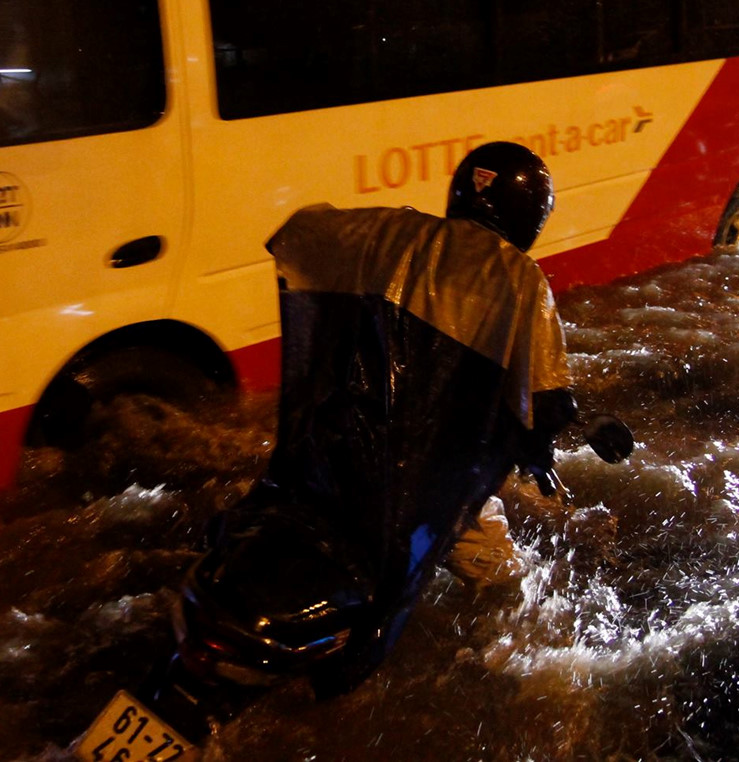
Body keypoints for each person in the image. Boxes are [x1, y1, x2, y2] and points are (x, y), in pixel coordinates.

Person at [170, 142, 634, 706]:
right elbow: (544, 398)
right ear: (531, 213)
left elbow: (297, 234)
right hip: (431, 481)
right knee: (501, 586)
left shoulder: (392, 233)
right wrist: (582, 427)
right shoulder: (519, 281)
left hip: (335, 461)